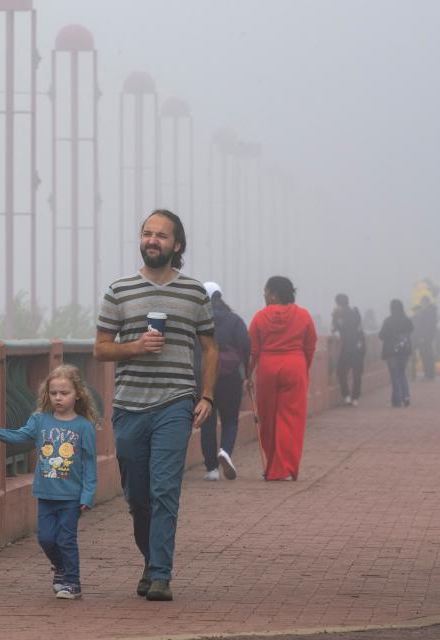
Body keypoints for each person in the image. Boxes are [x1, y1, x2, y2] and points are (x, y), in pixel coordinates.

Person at [94, 209, 216, 602]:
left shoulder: (194, 293)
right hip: (129, 405)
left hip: (175, 403)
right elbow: (99, 348)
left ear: (177, 245)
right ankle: (151, 560)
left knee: (165, 491)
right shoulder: (119, 290)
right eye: (147, 233)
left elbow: (210, 348)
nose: (152, 240)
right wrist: (135, 347)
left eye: (161, 236)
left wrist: (207, 395)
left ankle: (161, 573)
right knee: (138, 498)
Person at [0, 365, 97, 600]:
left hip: (71, 497)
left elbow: (89, 464)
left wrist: (87, 495)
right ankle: (61, 567)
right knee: (45, 538)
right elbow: (19, 436)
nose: (58, 397)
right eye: (54, 392)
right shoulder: (39, 420)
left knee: (66, 539)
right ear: (47, 394)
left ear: (77, 394)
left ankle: (73, 583)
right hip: (46, 494)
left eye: (64, 393)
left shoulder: (84, 427)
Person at [247, 276, 318, 481]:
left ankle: (272, 466)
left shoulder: (260, 317)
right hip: (295, 365)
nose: (264, 295)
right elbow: (310, 346)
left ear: (274, 294)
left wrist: (247, 374)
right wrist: (303, 368)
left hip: (268, 368)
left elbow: (252, 350)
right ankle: (285, 468)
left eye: (266, 292)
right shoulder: (303, 316)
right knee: (291, 420)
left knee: (268, 419)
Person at [195, 282, 250, 481]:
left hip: (204, 378)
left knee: (206, 423)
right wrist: (248, 376)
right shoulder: (235, 320)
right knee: (230, 421)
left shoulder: (197, 320)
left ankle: (211, 469)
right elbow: (246, 347)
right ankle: (225, 451)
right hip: (230, 378)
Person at [331, 294, 366, 406]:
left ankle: (346, 395)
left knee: (341, 372)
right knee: (357, 373)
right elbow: (360, 328)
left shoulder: (338, 314)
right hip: (359, 345)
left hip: (347, 347)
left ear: (338, 303)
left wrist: (333, 315)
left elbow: (333, 329)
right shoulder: (355, 312)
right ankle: (355, 398)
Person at [378, 299, 414, 408]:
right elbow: (411, 329)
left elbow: (381, 335)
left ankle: (396, 401)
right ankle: (406, 396)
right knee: (402, 373)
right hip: (404, 351)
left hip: (391, 352)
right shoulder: (406, 320)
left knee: (395, 376)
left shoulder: (388, 321)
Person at [412, 296, 438, 380]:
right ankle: (430, 375)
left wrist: (423, 337)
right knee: (427, 356)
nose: (421, 305)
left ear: (425, 302)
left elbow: (427, 326)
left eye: (422, 303)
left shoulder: (428, 312)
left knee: (426, 356)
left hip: (425, 338)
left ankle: (428, 375)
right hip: (427, 337)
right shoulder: (430, 311)